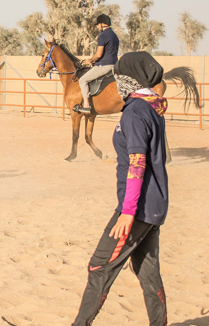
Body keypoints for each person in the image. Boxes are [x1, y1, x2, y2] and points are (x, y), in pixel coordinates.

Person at [71, 51, 169, 326]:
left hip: (136, 209)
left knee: (99, 266)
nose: (117, 82)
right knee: (148, 273)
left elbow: (137, 164)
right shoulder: (150, 108)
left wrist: (127, 212)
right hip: (153, 206)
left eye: (120, 77)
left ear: (131, 80)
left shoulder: (135, 113)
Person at [74, 14, 119, 115]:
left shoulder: (103, 36)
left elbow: (98, 54)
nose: (98, 27)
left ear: (102, 24)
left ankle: (86, 105)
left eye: (98, 25)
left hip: (104, 66)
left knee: (83, 80)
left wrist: (90, 60)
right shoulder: (114, 35)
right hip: (114, 65)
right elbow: (108, 53)